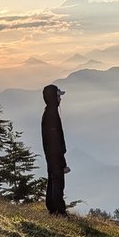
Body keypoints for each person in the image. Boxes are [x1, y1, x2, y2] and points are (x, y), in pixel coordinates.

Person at [41, 84, 70, 215]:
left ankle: (53, 208)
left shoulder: (49, 113)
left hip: (51, 155)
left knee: (53, 180)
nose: (60, 99)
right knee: (58, 182)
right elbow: (55, 141)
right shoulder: (52, 115)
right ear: (53, 97)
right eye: (58, 96)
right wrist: (61, 160)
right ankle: (59, 211)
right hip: (55, 156)